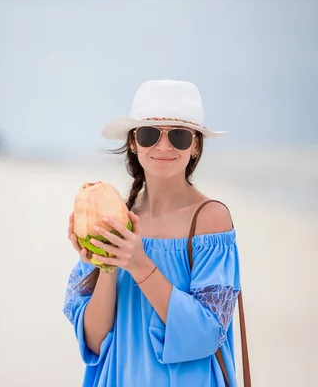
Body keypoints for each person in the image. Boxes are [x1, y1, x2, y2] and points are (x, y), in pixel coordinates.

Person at [62, 80, 249, 387]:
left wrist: (137, 262)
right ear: (134, 142)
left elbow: (205, 336)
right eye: (150, 134)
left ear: (196, 145)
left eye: (178, 135)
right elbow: (94, 343)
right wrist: (108, 263)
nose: (163, 146)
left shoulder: (211, 220)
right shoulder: (112, 217)